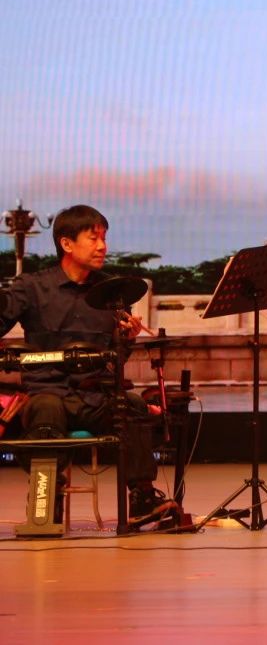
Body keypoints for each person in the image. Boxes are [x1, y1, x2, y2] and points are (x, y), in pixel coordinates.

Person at [0, 204, 174, 526]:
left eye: (104, 239)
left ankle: (142, 499)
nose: (102, 247)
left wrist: (126, 340)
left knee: (133, 405)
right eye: (93, 239)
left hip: (95, 396)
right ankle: (46, 502)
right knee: (46, 409)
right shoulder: (33, 287)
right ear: (67, 243)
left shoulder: (112, 292)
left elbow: (115, 360)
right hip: (48, 393)